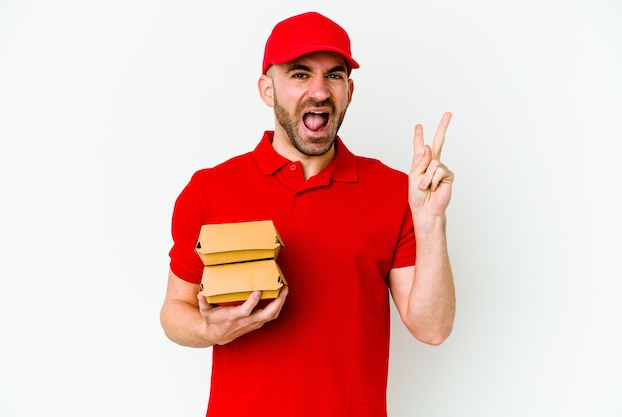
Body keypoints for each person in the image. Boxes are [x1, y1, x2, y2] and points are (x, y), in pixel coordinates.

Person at [160, 11, 456, 417]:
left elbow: (432, 328)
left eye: (333, 76)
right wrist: (209, 329)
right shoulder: (210, 190)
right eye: (300, 74)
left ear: (349, 91)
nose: (320, 91)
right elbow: (175, 309)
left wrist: (431, 220)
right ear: (267, 89)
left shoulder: (393, 192)